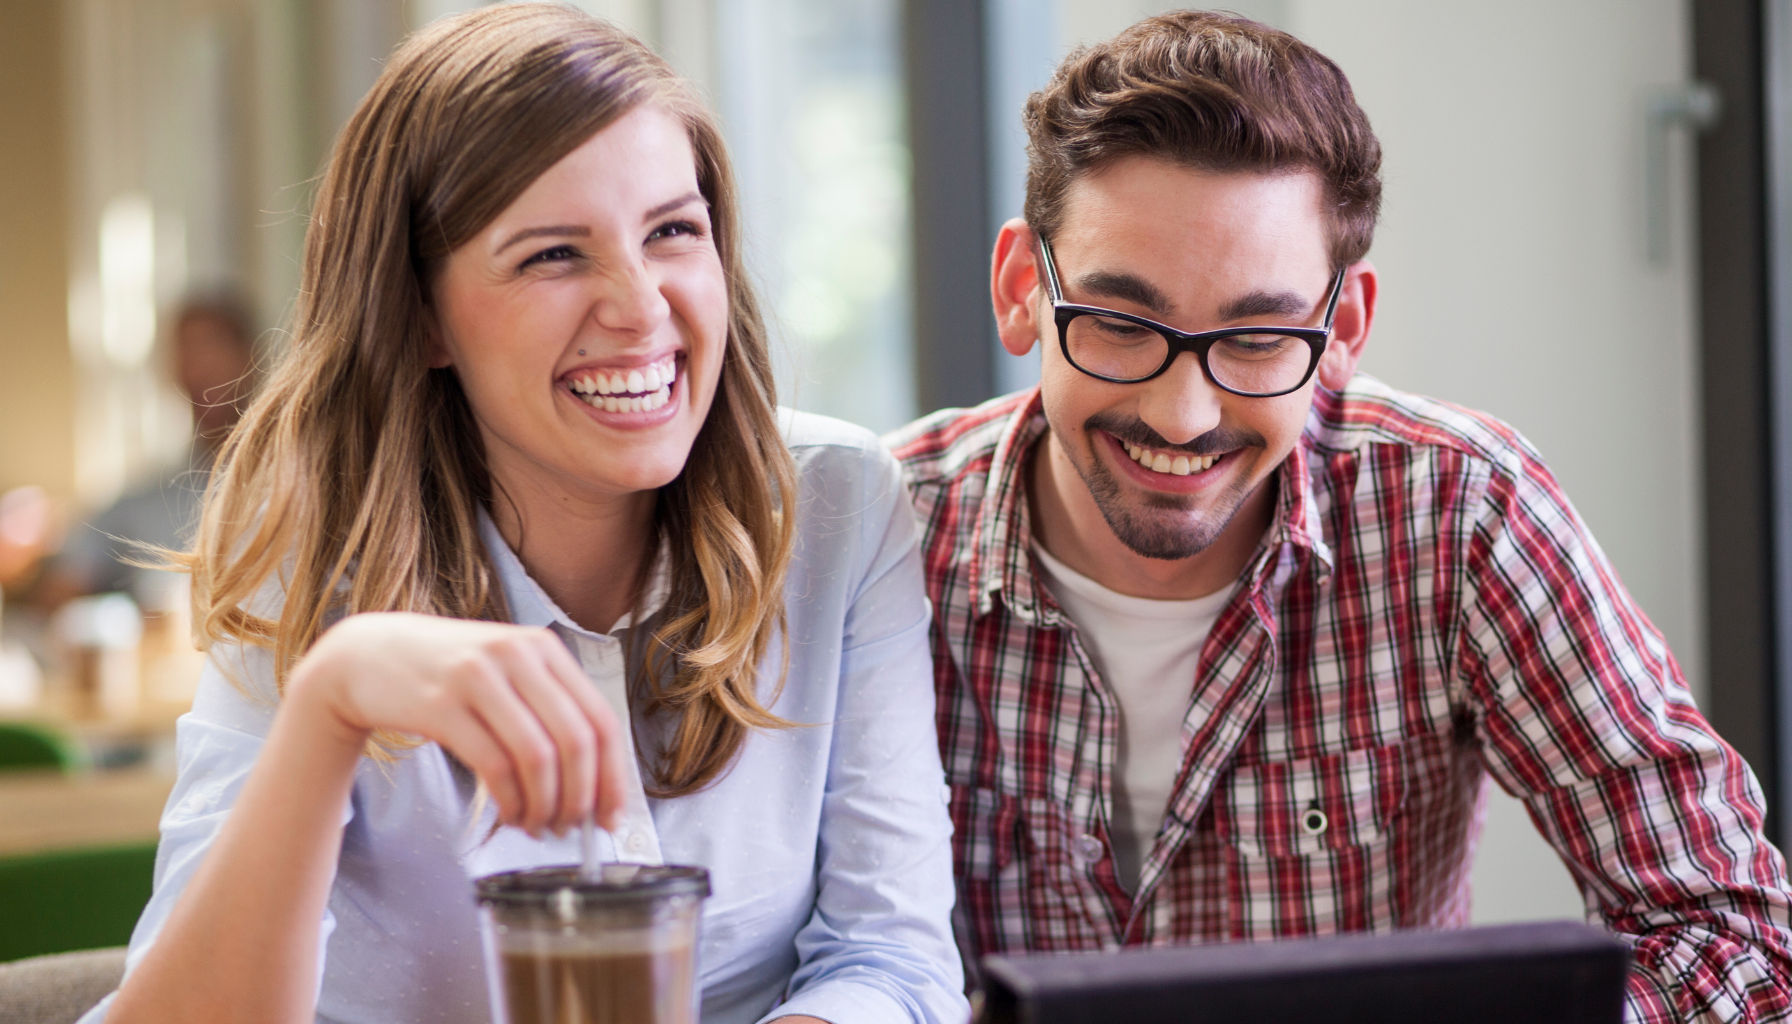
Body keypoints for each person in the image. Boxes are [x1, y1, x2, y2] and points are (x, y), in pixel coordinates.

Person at [885, 11, 1792, 1021]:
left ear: (1343, 327)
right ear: (1022, 291)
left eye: (1259, 337)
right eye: (1117, 323)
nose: (1181, 415)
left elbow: (1731, 936)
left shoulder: (1457, 512)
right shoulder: (882, 537)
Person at [87, 6, 963, 1024]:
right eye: (553, 254)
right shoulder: (310, 555)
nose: (640, 308)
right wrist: (332, 700)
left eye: (672, 231)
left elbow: (890, 961)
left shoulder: (838, 508)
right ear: (420, 318)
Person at [44, 296, 256, 605]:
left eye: (213, 346)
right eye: (185, 351)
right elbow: (66, 578)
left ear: (251, 355)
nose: (198, 369)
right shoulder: (149, 498)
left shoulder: (292, 484)